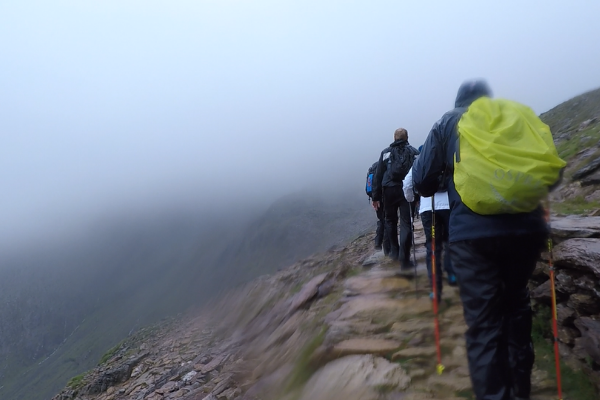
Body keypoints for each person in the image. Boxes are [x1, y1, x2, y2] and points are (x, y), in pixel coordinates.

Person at [412, 79, 564, 400]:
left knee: (484, 326)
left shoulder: (447, 121)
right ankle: (521, 392)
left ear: (459, 99)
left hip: (473, 234)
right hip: (526, 228)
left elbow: (423, 181)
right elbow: (552, 172)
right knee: (516, 306)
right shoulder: (514, 116)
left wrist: (448, 174)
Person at [403, 164, 456, 303]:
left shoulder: (421, 161)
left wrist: (412, 200)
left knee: (433, 247)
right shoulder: (448, 156)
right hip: (449, 205)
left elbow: (407, 184)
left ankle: (435, 288)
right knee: (451, 241)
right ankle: (452, 274)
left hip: (427, 207)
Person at [371, 128, 419, 270]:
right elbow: (418, 172)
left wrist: (376, 196)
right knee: (406, 223)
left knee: (390, 221)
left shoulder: (386, 153)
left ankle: (394, 252)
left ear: (394, 138)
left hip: (389, 191)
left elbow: (378, 175)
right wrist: (418, 194)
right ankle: (405, 259)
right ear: (407, 137)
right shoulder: (414, 152)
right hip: (406, 190)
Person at [366, 161, 390, 254]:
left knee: (382, 219)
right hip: (386, 197)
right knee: (388, 220)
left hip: (376, 198)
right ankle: (387, 248)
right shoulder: (387, 166)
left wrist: (374, 198)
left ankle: (378, 242)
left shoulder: (373, 168)